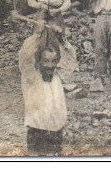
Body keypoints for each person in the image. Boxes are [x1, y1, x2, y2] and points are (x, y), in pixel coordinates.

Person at [19, 20, 67, 155]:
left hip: (56, 130)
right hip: (36, 129)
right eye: (45, 61)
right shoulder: (30, 76)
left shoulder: (57, 74)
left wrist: (61, 38)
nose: (50, 65)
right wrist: (36, 34)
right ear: (38, 61)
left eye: (53, 61)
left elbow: (70, 61)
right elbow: (25, 56)